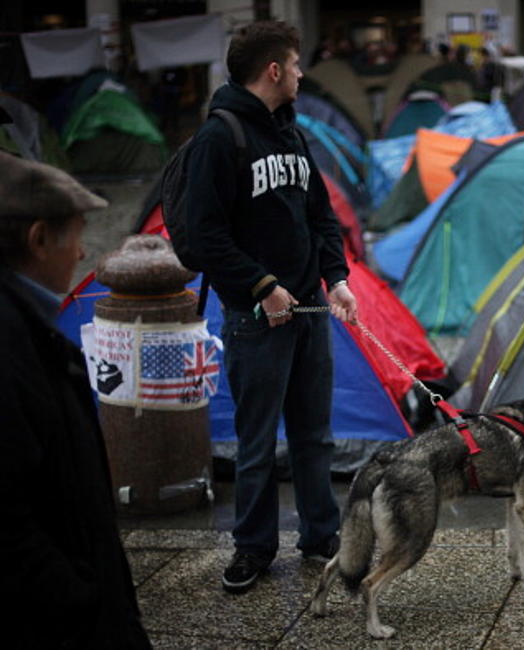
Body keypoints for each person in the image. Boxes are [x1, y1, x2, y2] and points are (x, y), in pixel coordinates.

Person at [184, 21, 358, 594]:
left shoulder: (292, 133)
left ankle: (321, 535)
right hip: (256, 319)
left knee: (316, 436)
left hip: (309, 310)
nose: (304, 74)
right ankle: (253, 548)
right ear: (275, 70)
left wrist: (335, 278)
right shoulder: (220, 138)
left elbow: (321, 215)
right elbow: (205, 236)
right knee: (256, 443)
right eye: (297, 64)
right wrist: (262, 286)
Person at [0, 152, 151, 647]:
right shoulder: (14, 343)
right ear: (39, 239)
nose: (84, 253)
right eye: (78, 235)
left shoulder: (29, 328)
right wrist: (79, 600)